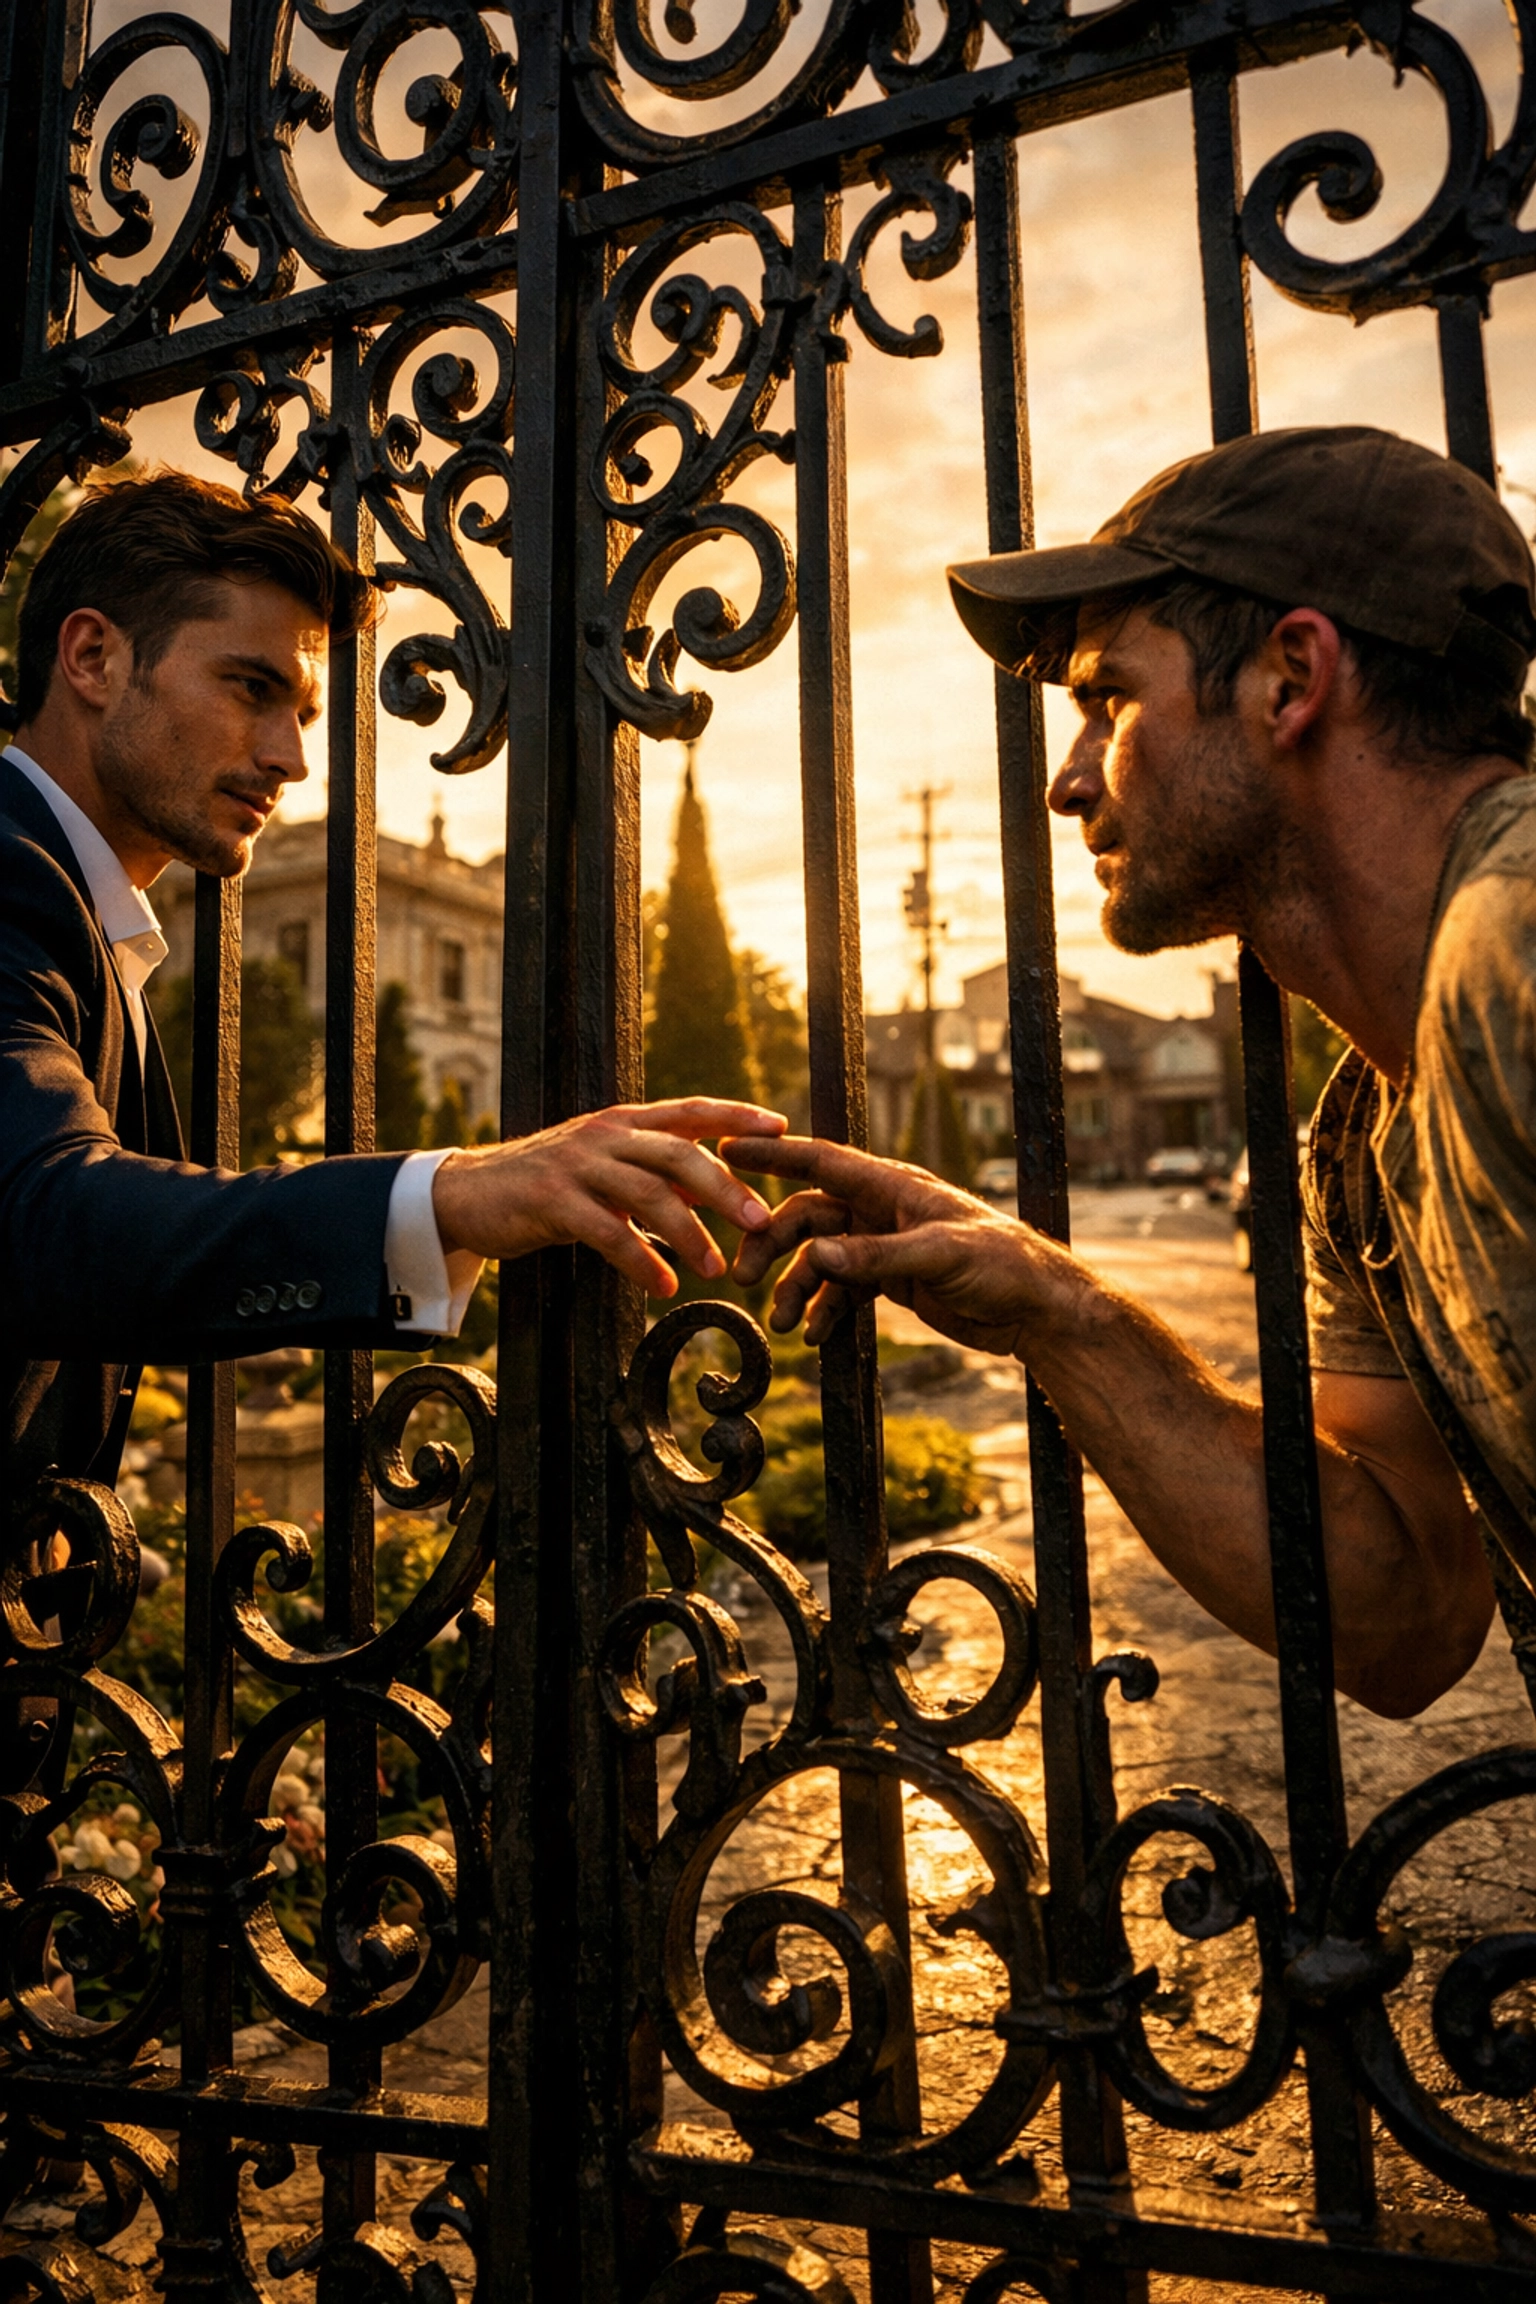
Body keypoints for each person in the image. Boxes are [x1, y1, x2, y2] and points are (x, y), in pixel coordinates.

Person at [725, 425, 1536, 1721]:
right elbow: (1410, 1618)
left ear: (1291, 678)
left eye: (1110, 699)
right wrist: (1058, 1309)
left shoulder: (1518, 940)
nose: (1064, 778)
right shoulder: (1357, 1142)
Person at [0, 470, 783, 1510]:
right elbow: (48, 1223)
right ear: (93, 657)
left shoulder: (85, 909)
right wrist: (452, 1191)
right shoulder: (12, 872)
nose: (288, 759)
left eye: (305, 710)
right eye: (251, 687)